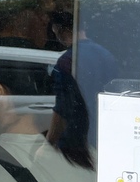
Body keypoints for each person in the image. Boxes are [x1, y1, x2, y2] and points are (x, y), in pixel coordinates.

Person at [48, 10, 117, 148]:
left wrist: (48, 142)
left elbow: (62, 108)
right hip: (102, 134)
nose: (57, 38)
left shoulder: (67, 60)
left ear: (61, 30)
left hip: (76, 138)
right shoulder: (107, 55)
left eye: (55, 33)